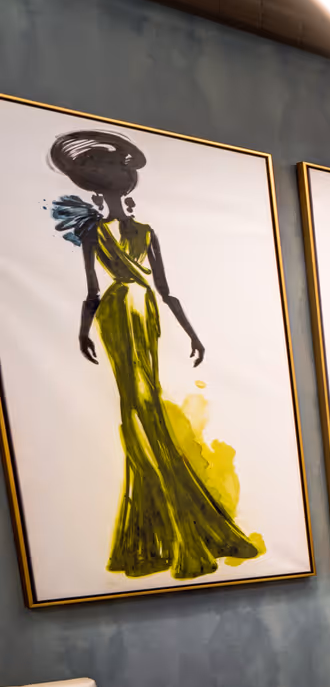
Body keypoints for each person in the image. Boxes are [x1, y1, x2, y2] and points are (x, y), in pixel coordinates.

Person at [48, 129, 262, 582]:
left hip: (141, 314)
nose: (112, 191)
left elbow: (165, 291)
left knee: (146, 409)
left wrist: (191, 332)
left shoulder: (143, 232)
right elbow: (92, 293)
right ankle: (164, 524)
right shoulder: (98, 234)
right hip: (119, 316)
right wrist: (85, 332)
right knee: (137, 407)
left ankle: (168, 524)